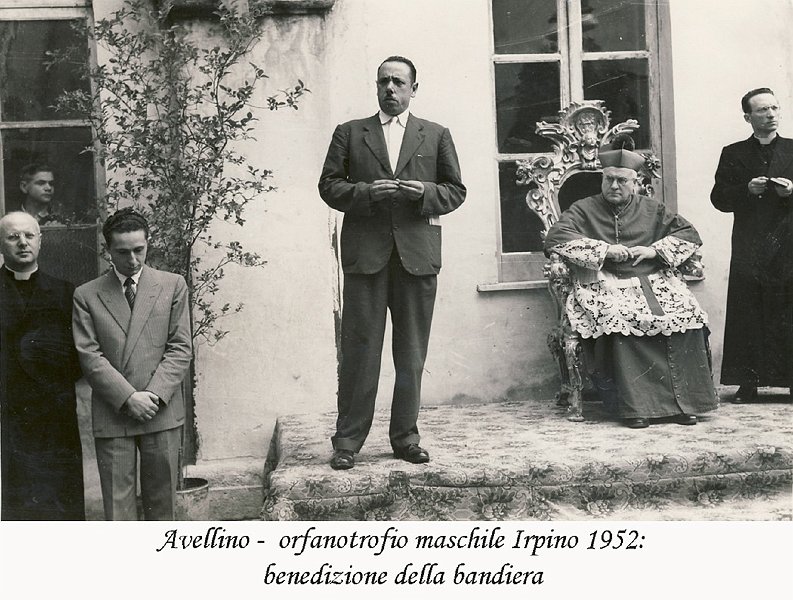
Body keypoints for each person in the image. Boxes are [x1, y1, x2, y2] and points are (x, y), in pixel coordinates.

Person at [318, 56, 466, 469]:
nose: (390, 88)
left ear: (414, 89)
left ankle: (405, 438)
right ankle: (347, 442)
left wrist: (424, 193)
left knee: (411, 354)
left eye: (399, 82)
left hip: (417, 259)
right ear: (376, 86)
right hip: (366, 258)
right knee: (360, 351)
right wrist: (365, 193)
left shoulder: (435, 134)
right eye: (384, 81)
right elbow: (328, 186)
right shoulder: (350, 132)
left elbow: (456, 190)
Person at [545, 147, 719, 428]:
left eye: (622, 180)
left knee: (687, 314)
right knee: (621, 315)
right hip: (602, 281)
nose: (614, 186)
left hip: (653, 279)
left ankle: (685, 404)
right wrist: (605, 251)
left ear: (636, 182)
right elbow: (556, 237)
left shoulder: (652, 208)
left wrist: (654, 251)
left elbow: (688, 234)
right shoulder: (583, 208)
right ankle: (636, 407)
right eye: (609, 179)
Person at [72, 208, 192, 520]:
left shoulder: (172, 285)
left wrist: (152, 395)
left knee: (162, 508)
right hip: (114, 412)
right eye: (123, 252)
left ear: (148, 243)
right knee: (118, 513)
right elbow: (89, 355)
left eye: (139, 249)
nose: (133, 260)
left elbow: (180, 348)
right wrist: (128, 398)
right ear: (108, 250)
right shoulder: (87, 295)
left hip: (160, 409)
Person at [0, 211, 84, 520]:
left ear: (40, 240)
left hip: (56, 414)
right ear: (1, 244)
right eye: (13, 237)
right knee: (18, 502)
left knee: (62, 500)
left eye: (29, 235)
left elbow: (79, 354)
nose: (22, 243)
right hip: (9, 414)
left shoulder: (64, 292)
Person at [710, 87, 793, 402]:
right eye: (762, 110)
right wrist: (746, 189)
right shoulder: (733, 153)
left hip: (788, 242)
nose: (770, 114)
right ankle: (748, 383)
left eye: (774, 108)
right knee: (749, 309)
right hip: (751, 244)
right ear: (748, 117)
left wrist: (791, 192)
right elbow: (719, 198)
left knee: (789, 308)